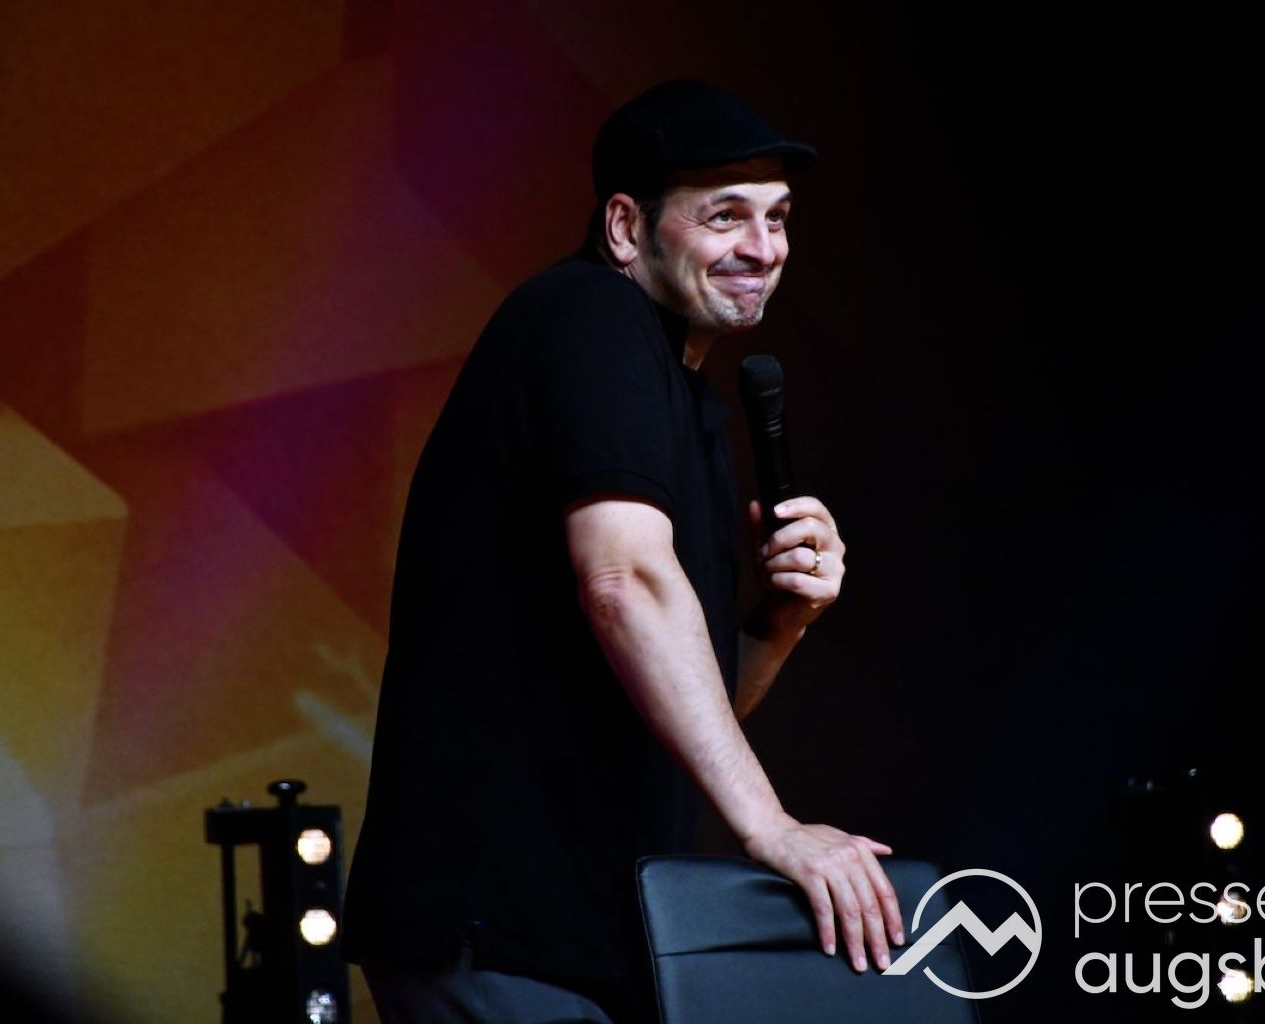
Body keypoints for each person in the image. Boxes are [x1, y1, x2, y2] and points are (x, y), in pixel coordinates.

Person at [340, 79, 903, 1023]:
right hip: (496, 923)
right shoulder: (587, 315)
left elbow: (674, 707)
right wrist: (772, 827)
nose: (763, 248)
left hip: (593, 936)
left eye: (776, 218)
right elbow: (623, 582)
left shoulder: (685, 405)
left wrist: (778, 624)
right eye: (724, 216)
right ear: (624, 228)